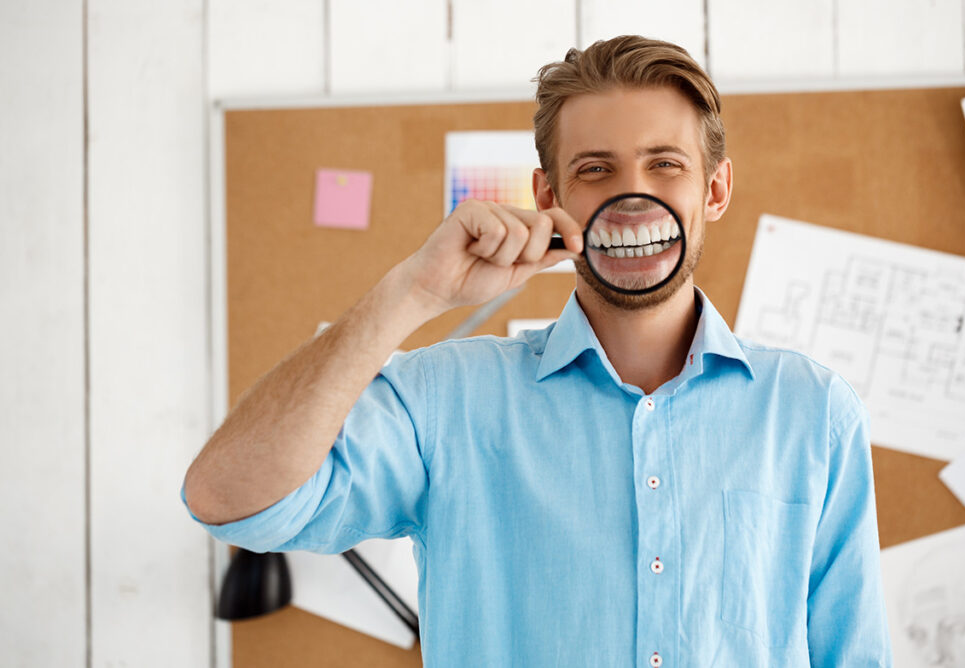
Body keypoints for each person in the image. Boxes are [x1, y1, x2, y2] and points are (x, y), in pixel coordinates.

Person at [183, 35, 892, 666]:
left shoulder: (812, 411)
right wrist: (413, 293)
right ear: (547, 195)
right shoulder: (443, 402)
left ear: (715, 189)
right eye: (596, 170)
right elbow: (227, 498)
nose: (635, 195)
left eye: (665, 164)